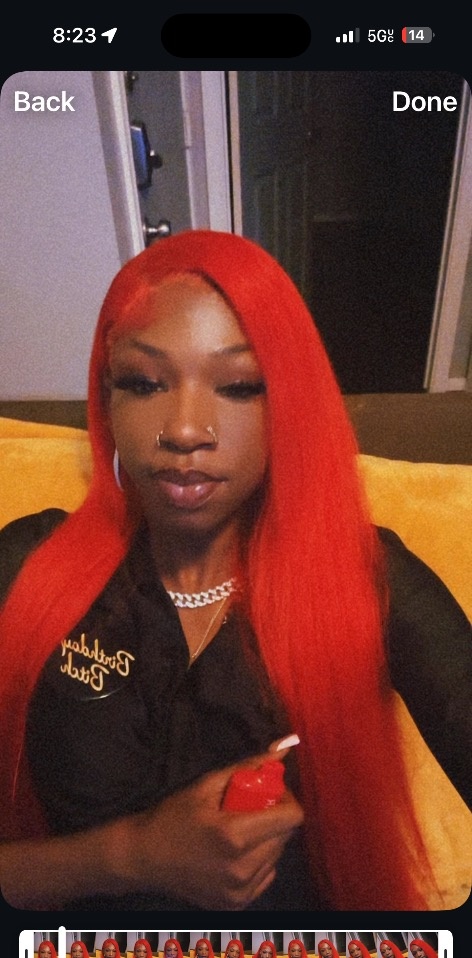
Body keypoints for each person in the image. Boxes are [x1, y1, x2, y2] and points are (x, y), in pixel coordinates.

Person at [0, 229, 471, 915]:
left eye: (239, 386)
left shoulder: (368, 580)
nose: (185, 429)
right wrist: (131, 854)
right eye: (144, 383)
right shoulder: (27, 568)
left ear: (288, 405)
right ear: (106, 399)